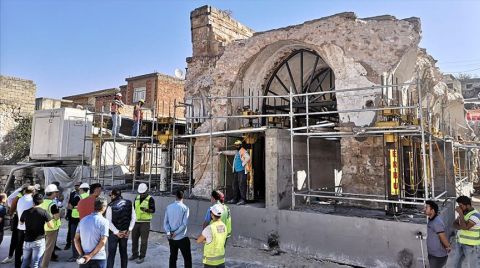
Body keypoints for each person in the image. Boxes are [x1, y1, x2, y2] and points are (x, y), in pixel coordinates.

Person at [20, 193, 54, 268]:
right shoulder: (44, 212)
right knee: (35, 263)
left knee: (25, 262)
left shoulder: (25, 212)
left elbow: (21, 222)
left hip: (27, 241)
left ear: (33, 201)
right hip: (38, 241)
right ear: (42, 202)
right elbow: (51, 226)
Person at [74, 197, 109, 268]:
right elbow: (103, 241)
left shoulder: (83, 220)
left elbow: (76, 239)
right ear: (104, 207)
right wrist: (90, 256)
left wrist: (81, 254)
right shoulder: (104, 221)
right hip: (99, 258)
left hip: (84, 258)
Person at [447, 195, 480, 268]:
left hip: (471, 246)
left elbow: (465, 227)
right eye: (458, 205)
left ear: (467, 205)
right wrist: (462, 226)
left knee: (473, 266)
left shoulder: (475, 215)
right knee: (455, 264)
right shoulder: (465, 214)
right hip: (460, 243)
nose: (459, 208)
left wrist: (461, 214)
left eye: (461, 206)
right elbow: (454, 224)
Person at [106, 188, 136, 268]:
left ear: (113, 195)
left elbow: (108, 221)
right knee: (123, 253)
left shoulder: (110, 206)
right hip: (125, 233)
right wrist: (129, 230)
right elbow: (134, 218)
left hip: (113, 234)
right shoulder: (129, 203)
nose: (110, 197)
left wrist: (116, 232)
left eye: (111, 195)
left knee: (111, 255)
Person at [164, 190, 192, 268]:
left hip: (171, 238)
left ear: (175, 196)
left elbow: (165, 222)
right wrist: (176, 233)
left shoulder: (168, 207)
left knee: (173, 257)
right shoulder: (185, 208)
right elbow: (184, 224)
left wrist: (169, 233)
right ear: (183, 197)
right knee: (187, 259)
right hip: (182, 237)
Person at [218, 140, 251, 205]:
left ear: (241, 145)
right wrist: (222, 152)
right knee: (235, 185)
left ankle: (243, 200)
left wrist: (243, 164)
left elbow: (248, 157)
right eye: (236, 145)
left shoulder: (243, 151)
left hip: (241, 171)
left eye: (238, 145)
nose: (236, 146)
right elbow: (230, 152)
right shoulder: (237, 151)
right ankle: (235, 199)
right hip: (236, 171)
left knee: (241, 185)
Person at [130, 183, 155, 264]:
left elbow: (153, 210)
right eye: (140, 193)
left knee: (144, 241)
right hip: (136, 222)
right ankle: (134, 254)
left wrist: (146, 210)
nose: (142, 195)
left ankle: (142, 256)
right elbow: (133, 209)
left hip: (145, 223)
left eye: (143, 193)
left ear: (147, 191)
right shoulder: (137, 198)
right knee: (134, 240)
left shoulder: (150, 199)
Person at [196, 204, 228, 268]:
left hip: (210, 262)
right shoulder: (224, 226)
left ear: (212, 215)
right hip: (221, 261)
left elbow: (198, 240)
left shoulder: (210, 228)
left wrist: (205, 241)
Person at [2, 184, 26, 264]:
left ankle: (20, 257)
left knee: (22, 239)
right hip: (18, 218)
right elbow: (9, 200)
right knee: (16, 238)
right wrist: (13, 211)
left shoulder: (27, 197)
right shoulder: (19, 195)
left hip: (23, 218)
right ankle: (11, 256)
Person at [40, 184, 62, 267]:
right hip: (51, 228)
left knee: (41, 248)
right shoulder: (52, 204)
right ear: (52, 193)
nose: (56, 194)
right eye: (56, 192)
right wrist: (60, 213)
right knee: (48, 249)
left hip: (42, 227)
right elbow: (56, 217)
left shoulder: (42, 202)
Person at [15, 185, 37, 268]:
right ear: (33, 191)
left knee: (19, 246)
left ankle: (17, 265)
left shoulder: (20, 199)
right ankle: (27, 265)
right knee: (29, 248)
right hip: (29, 228)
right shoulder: (32, 200)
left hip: (20, 227)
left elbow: (17, 212)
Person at [424, 200, 450, 268]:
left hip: (438, 256)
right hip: (432, 254)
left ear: (432, 210)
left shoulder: (437, 222)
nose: (424, 209)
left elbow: (442, 237)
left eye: (426, 208)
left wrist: (448, 246)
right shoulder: (431, 219)